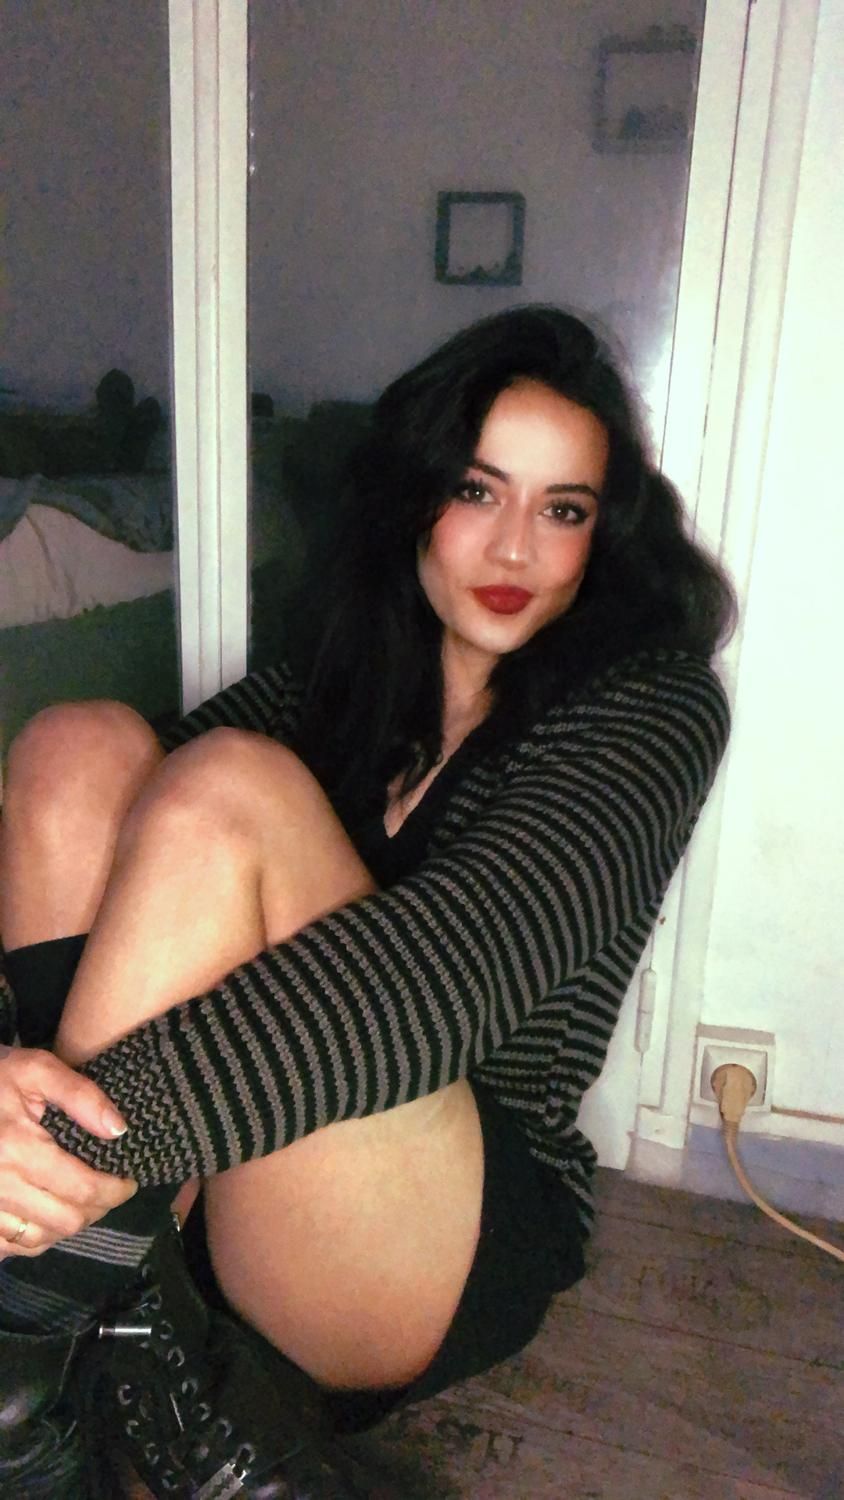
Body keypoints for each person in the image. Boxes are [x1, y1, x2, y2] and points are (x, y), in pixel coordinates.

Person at [0, 306, 734, 1498]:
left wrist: (62, 1145)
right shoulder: (337, 682)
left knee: (230, 792)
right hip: (202, 1178)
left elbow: (438, 985)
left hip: (430, 1230)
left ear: (603, 537)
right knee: (75, 749)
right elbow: (114, 863)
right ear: (414, 500)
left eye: (561, 510)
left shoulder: (647, 711)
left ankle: (38, 1305)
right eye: (476, 491)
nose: (512, 550)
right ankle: (91, 1337)